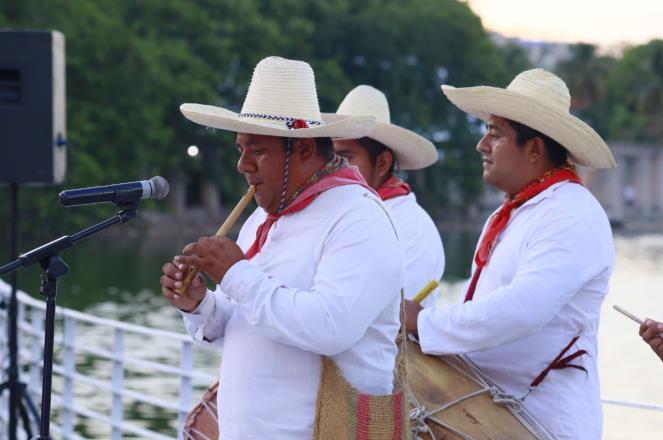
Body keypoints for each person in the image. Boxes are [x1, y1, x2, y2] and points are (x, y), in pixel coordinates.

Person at [160, 56, 403, 439]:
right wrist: (199, 303)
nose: (243, 165)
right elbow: (244, 322)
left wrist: (235, 272)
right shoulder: (262, 217)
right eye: (240, 149)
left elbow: (330, 327)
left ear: (304, 149)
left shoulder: (359, 216)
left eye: (257, 150)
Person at [403, 69, 618, 439]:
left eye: (495, 133)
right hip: (486, 411)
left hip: (545, 424)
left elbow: (523, 308)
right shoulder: (518, 211)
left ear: (534, 149)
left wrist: (422, 323)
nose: (481, 145)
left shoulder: (572, 214)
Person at [326, 85, 444, 305]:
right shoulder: (362, 212)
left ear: (382, 162)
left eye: (345, 157)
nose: (333, 168)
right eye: (331, 158)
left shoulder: (408, 225)